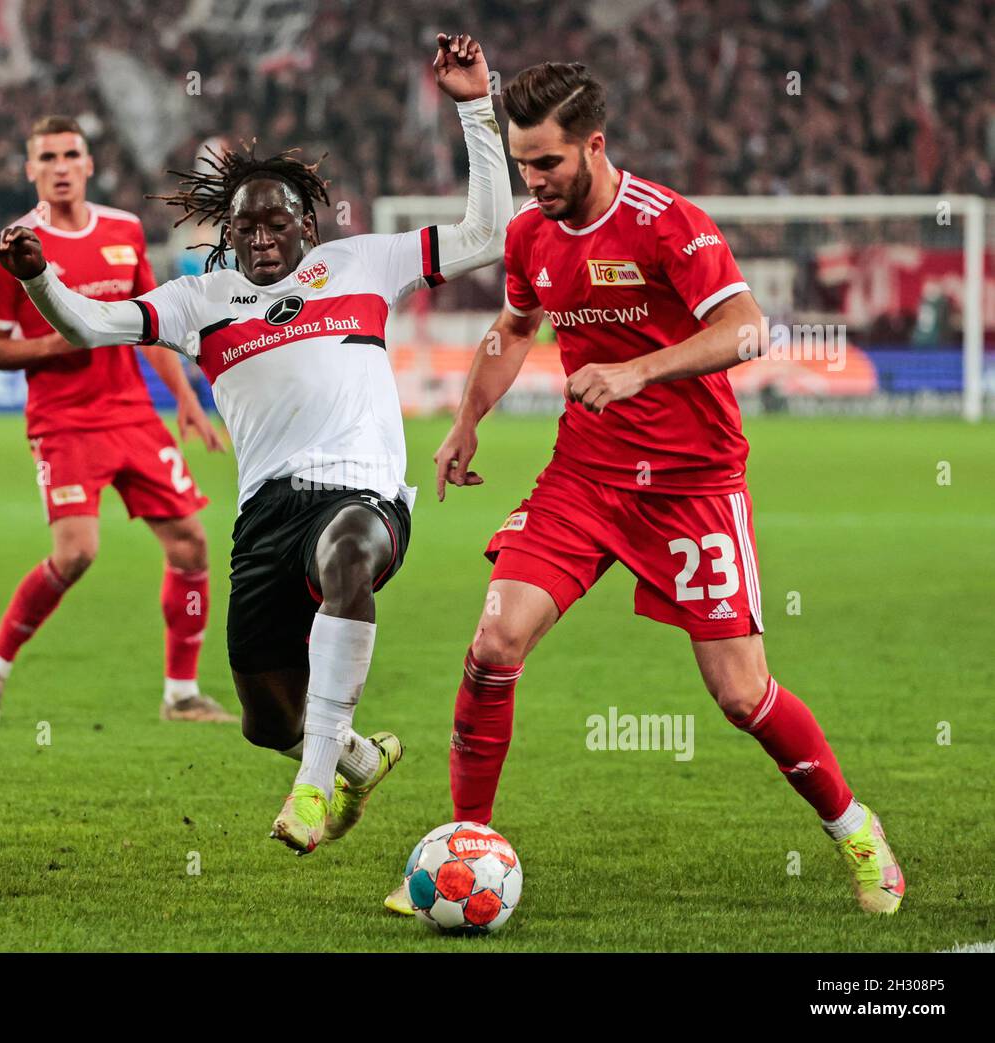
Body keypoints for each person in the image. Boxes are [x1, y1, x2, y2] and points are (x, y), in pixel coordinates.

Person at [387, 60, 904, 916]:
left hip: (693, 484)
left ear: (594, 145)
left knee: (741, 693)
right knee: (493, 642)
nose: (536, 182)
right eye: (523, 165)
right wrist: (467, 420)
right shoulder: (530, 234)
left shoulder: (672, 226)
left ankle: (854, 827)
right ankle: (465, 846)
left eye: (548, 163)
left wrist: (639, 372)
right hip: (585, 477)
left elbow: (746, 331)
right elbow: (514, 328)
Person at [0, 34, 512, 854]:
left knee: (348, 559)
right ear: (228, 234)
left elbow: (487, 232)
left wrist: (476, 106)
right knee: (268, 719)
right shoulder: (202, 299)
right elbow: (91, 324)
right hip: (265, 513)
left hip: (362, 489)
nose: (261, 236)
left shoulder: (364, 263)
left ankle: (310, 795)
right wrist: (38, 279)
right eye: (244, 225)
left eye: (275, 220)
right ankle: (355, 757)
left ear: (307, 220)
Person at [0, 115, 234, 727]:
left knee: (192, 542)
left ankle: (181, 694)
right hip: (62, 420)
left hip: (131, 413)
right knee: (77, 553)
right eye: (47, 157)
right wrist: (60, 346)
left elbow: (152, 324)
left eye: (70, 155)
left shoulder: (123, 230)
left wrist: (187, 399)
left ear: (88, 165)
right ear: (31, 170)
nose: (60, 167)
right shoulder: (10, 246)